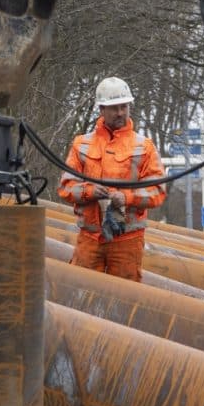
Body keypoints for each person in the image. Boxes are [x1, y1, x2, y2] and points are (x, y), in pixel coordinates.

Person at [57, 77, 166, 282]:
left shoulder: (144, 147)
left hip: (127, 240)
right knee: (82, 291)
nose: (120, 113)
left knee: (125, 298)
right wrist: (89, 191)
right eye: (114, 108)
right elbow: (65, 188)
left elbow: (157, 192)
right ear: (101, 109)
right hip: (90, 238)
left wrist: (126, 198)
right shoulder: (81, 144)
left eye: (124, 107)